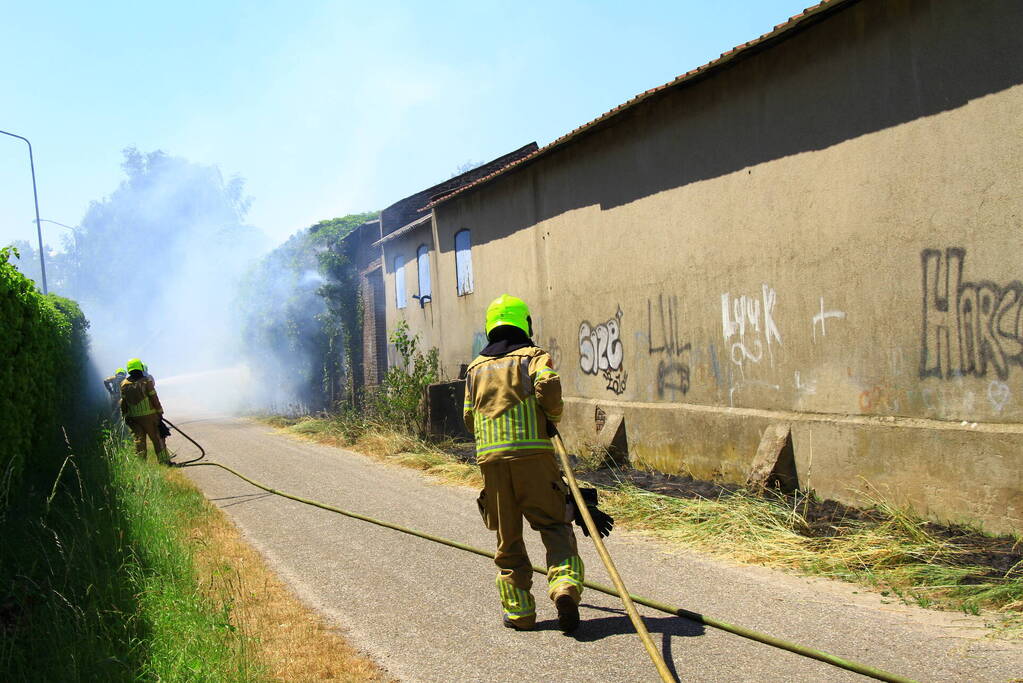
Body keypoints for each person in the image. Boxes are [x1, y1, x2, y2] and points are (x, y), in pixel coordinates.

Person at [463, 294, 584, 633]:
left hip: (492, 464)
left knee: (508, 538)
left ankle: (520, 614)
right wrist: (550, 416)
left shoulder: (474, 368)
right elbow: (548, 381)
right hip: (534, 458)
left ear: (490, 326)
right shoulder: (532, 356)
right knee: (554, 523)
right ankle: (564, 587)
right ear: (524, 323)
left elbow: (468, 416)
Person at [120, 357, 170, 465]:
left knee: (139, 442)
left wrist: (126, 416)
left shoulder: (123, 384)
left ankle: (141, 466)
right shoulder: (146, 381)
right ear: (141, 367)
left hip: (134, 419)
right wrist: (160, 411)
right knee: (158, 439)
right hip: (150, 417)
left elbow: (123, 403)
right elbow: (154, 397)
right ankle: (165, 462)